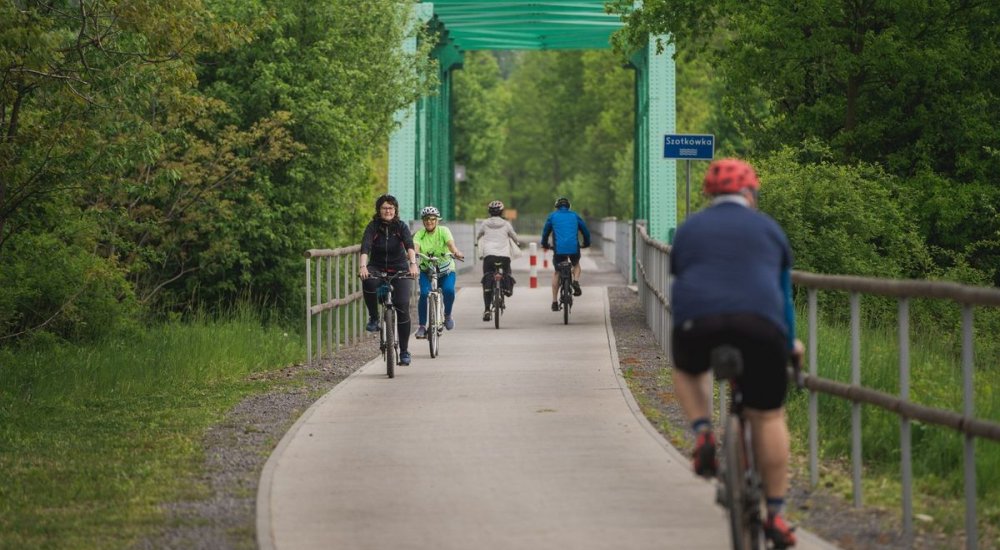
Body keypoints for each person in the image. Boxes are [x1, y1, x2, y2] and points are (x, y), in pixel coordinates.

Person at [669, 158, 804, 548]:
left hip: (698, 323)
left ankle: (703, 433)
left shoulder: (690, 228)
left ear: (710, 194)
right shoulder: (769, 229)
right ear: (751, 193)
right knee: (768, 414)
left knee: (687, 368)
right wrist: (790, 341)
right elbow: (783, 297)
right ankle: (776, 515)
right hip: (759, 327)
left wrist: (686, 330)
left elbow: (681, 281)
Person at [359, 194, 420, 366]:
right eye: (385, 208)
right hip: (377, 266)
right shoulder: (373, 227)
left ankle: (405, 351)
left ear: (395, 210)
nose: (388, 211)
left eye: (391, 208)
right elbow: (365, 247)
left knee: (402, 306)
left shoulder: (401, 227)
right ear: (379, 210)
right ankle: (373, 317)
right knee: (369, 281)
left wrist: (413, 264)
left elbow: (409, 245)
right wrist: (363, 267)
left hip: (399, 267)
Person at [413, 206, 465, 338]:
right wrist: (413, 255)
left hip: (446, 269)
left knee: (448, 290)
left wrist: (456, 252)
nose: (429, 221)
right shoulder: (419, 234)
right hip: (427, 270)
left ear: (437, 220)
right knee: (424, 294)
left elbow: (451, 245)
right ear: (423, 221)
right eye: (426, 219)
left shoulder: (444, 231)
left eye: (432, 219)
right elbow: (415, 248)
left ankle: (447, 315)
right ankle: (422, 326)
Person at [540, 197, 590, 312]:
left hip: (559, 249)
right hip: (573, 247)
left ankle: (554, 302)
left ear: (557, 207)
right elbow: (585, 231)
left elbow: (545, 232)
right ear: (569, 207)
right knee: (576, 264)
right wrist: (586, 243)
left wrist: (545, 244)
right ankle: (576, 281)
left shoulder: (552, 216)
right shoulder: (575, 216)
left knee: (557, 272)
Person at [476, 200, 521, 321]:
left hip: (489, 256)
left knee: (487, 278)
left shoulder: (485, 224)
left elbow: (479, 235)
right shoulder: (506, 224)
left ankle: (486, 309)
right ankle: (506, 288)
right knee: (507, 272)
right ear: (502, 212)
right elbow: (513, 236)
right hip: (504, 257)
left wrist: (478, 242)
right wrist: (517, 242)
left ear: (489, 212)